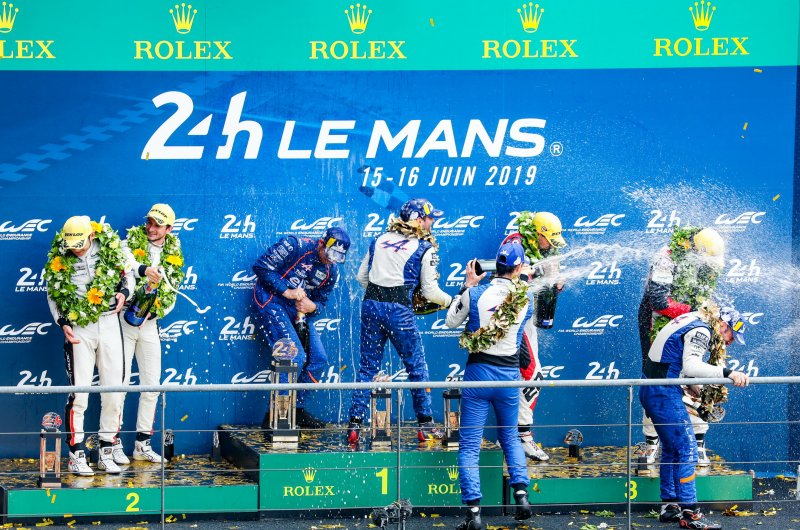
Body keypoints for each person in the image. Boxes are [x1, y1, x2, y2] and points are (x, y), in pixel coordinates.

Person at [346, 198, 453, 444]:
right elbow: (430, 292)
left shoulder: (379, 239)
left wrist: (381, 293)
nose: (432, 222)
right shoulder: (425, 247)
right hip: (399, 311)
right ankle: (425, 425)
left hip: (371, 305)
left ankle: (354, 426)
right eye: (430, 218)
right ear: (418, 220)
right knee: (416, 367)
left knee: (367, 368)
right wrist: (453, 301)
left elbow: (362, 277)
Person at [445, 241, 533, 530]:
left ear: (496, 264)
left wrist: (467, 286)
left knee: (470, 446)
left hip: (478, 375)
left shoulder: (475, 293)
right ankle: (521, 497)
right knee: (510, 436)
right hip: (508, 378)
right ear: (518, 268)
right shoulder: (526, 298)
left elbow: (450, 321)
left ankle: (474, 513)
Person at [641, 305, 748, 530]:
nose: (729, 342)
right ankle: (691, 514)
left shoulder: (691, 318)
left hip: (653, 387)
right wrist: (729, 373)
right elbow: (691, 365)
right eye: (731, 336)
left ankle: (670, 506)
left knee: (672, 449)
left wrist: (689, 384)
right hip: (663, 392)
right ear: (723, 325)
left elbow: (671, 359)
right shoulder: (702, 329)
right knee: (688, 450)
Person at [44, 216, 133, 475]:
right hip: (79, 327)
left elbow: (128, 273)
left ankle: (107, 450)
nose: (76, 249)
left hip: (109, 322)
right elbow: (53, 292)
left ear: (92, 236)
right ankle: (77, 454)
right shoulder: (60, 255)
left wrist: (124, 292)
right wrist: (62, 322)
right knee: (79, 394)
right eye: (71, 245)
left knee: (114, 390)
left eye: (80, 244)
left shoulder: (110, 247)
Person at [637, 227, 725, 464]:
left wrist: (701, 315)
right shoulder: (666, 258)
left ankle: (698, 441)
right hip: (658, 323)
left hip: (690, 322)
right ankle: (651, 442)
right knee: (657, 379)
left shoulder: (708, 262)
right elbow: (659, 301)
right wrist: (694, 312)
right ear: (695, 249)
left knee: (694, 374)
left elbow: (703, 296)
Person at [252, 226, 350, 429]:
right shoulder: (295, 245)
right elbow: (261, 267)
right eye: (330, 254)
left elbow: (321, 302)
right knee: (293, 355)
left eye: (337, 257)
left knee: (318, 359)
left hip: (296, 311)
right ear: (321, 243)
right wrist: (286, 291)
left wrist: (313, 307)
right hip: (271, 301)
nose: (331, 260)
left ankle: (295, 409)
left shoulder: (330, 272)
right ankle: (276, 416)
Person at [118, 204, 185, 463]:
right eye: (149, 222)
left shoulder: (174, 252)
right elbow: (128, 264)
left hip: (149, 323)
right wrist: (146, 270)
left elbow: (172, 291)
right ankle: (112, 443)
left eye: (158, 225)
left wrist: (155, 311)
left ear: (169, 229)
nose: (151, 228)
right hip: (124, 320)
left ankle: (142, 444)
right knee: (119, 383)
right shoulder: (129, 242)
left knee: (151, 384)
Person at [503, 211, 567, 462]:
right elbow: (511, 279)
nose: (550, 246)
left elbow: (548, 282)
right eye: (548, 241)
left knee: (527, 376)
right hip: (512, 319)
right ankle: (523, 436)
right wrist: (539, 273)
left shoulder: (543, 249)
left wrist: (556, 281)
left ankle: (514, 436)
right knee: (532, 375)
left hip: (528, 318)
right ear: (538, 234)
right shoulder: (514, 244)